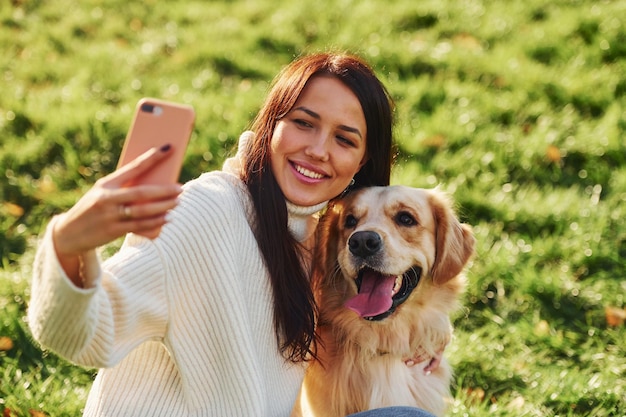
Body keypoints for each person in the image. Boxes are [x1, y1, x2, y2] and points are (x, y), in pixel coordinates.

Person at [27, 52, 437, 416]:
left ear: (363, 163)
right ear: (270, 125)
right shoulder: (208, 211)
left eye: (344, 139)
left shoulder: (317, 240)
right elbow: (86, 336)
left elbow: (351, 323)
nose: (318, 150)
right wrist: (68, 244)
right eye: (302, 123)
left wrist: (421, 341)